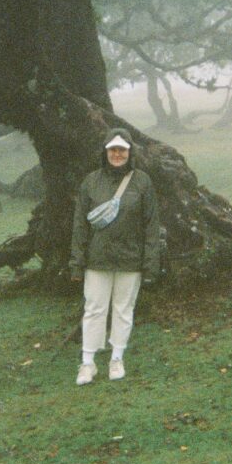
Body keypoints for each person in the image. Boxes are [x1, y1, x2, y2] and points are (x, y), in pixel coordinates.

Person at [69, 127, 161, 385]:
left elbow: (151, 225)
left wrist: (150, 263)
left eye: (122, 150)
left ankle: (116, 359)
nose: (117, 154)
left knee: (123, 309)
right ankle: (88, 363)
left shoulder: (142, 182)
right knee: (94, 309)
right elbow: (79, 226)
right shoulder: (91, 182)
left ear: (130, 152)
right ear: (105, 152)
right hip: (96, 260)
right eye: (113, 149)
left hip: (131, 259)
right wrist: (77, 263)